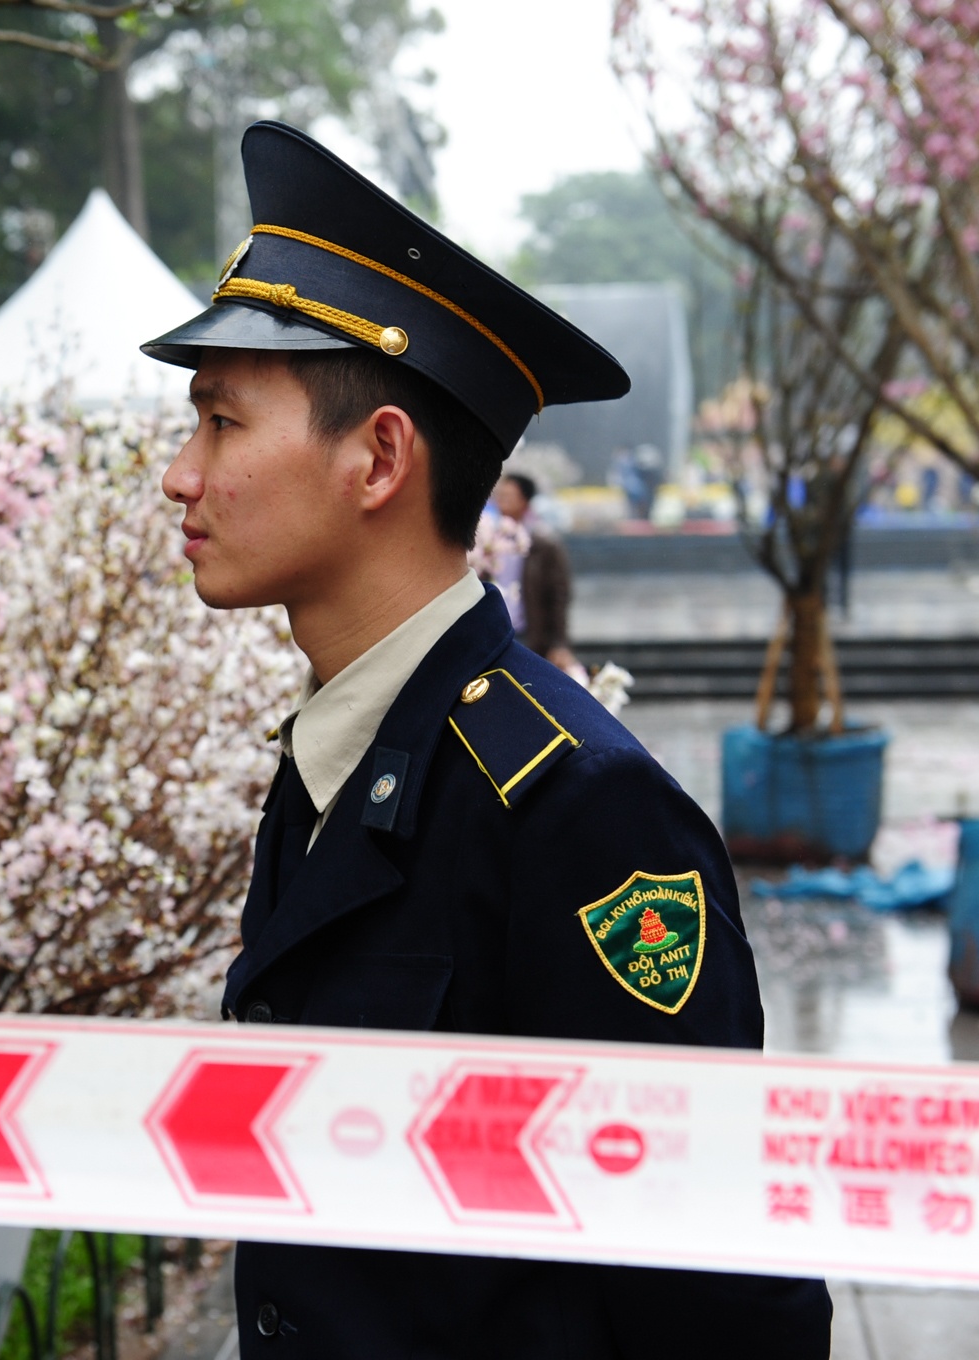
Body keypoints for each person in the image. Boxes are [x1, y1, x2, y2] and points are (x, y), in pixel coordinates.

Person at [143, 121, 829, 1359]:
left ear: (379, 458)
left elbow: (721, 1297)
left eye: (222, 423)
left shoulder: (580, 810)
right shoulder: (339, 755)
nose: (180, 476)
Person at [491, 472, 580, 675]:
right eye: (500, 495)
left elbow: (558, 595)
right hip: (494, 631)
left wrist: (559, 643)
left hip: (527, 633)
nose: (502, 501)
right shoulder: (485, 540)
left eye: (508, 496)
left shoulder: (543, 545)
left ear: (524, 501)